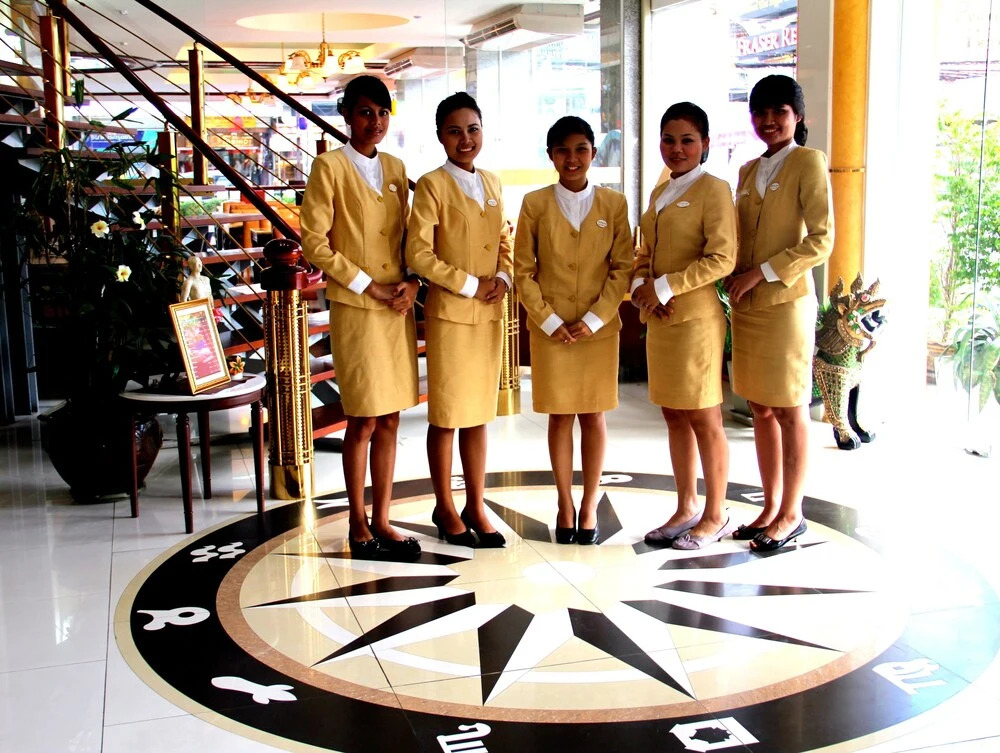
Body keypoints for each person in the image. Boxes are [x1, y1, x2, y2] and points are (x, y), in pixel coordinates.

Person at [299, 75, 421, 561]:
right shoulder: (329, 167)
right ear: (347, 115)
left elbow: (409, 237)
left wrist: (413, 282)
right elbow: (314, 242)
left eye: (383, 112)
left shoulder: (395, 168)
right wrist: (367, 284)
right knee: (364, 418)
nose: (375, 121)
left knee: (391, 416)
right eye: (366, 112)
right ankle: (357, 521)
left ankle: (383, 519)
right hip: (357, 306)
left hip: (396, 306)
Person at [723, 75, 834, 552]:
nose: (769, 120)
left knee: (789, 408)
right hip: (746, 305)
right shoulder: (748, 170)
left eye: (779, 112)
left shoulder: (809, 162)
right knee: (760, 407)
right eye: (761, 112)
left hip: (786, 304)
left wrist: (761, 273)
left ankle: (793, 512)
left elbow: (821, 240)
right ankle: (769, 507)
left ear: (797, 116)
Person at [514, 116, 632, 545]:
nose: (572, 158)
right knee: (560, 415)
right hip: (552, 330)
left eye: (581, 149)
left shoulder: (614, 204)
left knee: (594, 414)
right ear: (550, 155)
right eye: (562, 150)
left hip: (598, 329)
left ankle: (590, 503)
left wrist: (595, 318)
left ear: (593, 153)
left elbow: (623, 267)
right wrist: (548, 320)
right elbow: (522, 270)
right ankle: (565, 503)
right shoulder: (534, 204)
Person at [405, 92, 513, 548]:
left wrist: (503, 277)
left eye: (472, 129)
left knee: (478, 415)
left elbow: (505, 238)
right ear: (440, 137)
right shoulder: (432, 185)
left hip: (488, 314)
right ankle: (445, 506)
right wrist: (470, 284)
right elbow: (418, 253)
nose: (465, 139)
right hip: (451, 313)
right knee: (448, 414)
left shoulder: (492, 182)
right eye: (455, 131)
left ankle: (475, 503)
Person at [631, 102, 737, 550]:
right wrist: (640, 288)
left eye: (687, 140)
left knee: (704, 416)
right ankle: (686, 506)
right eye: (669, 140)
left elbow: (722, 258)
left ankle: (716, 514)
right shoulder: (660, 192)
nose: (677, 149)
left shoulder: (715, 190)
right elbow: (644, 254)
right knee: (673, 414)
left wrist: (665, 287)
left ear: (705, 144)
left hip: (696, 321)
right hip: (661, 320)